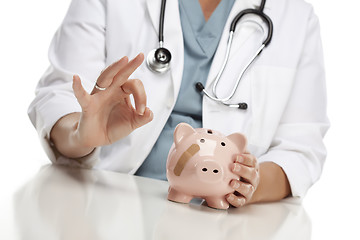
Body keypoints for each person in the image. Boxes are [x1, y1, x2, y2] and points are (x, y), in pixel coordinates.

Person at [28, 0, 329, 208]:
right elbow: (61, 95)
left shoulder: (296, 17)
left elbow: (301, 148)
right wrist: (81, 133)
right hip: (106, 198)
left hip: (226, 222)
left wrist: (250, 183)